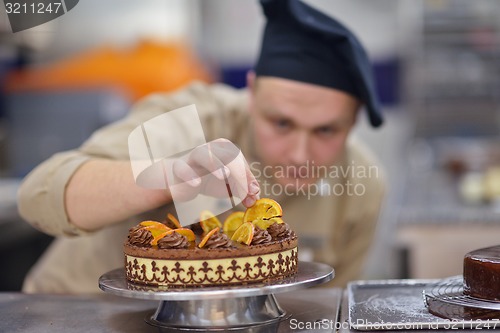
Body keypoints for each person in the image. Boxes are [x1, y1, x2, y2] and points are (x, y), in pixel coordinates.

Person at [18, 0, 385, 293]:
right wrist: (165, 177)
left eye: (326, 131)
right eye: (282, 123)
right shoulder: (188, 121)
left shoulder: (361, 189)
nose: (299, 154)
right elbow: (37, 196)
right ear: (252, 94)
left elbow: (323, 308)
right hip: (77, 312)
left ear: (352, 123)